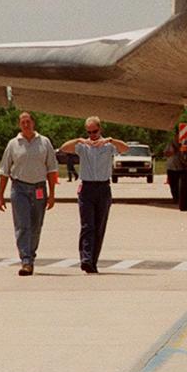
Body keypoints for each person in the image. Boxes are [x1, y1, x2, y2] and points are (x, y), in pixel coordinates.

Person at [58, 116, 128, 274]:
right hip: (87, 188)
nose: (92, 135)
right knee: (87, 225)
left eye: (95, 131)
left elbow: (125, 148)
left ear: (100, 129)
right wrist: (80, 140)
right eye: (89, 132)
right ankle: (86, 259)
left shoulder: (108, 146)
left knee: (99, 227)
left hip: (103, 188)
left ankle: (93, 262)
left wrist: (110, 140)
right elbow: (64, 148)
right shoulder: (84, 147)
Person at [0, 112, 59, 276]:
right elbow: (4, 171)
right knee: (22, 225)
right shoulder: (13, 144)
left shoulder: (44, 142)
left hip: (39, 188)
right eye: (23, 122)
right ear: (19, 125)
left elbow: (52, 170)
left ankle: (30, 254)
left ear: (33, 123)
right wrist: (1, 195)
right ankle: (26, 260)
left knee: (36, 226)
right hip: (20, 188)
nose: (26, 125)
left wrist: (52, 194)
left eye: (28, 121)